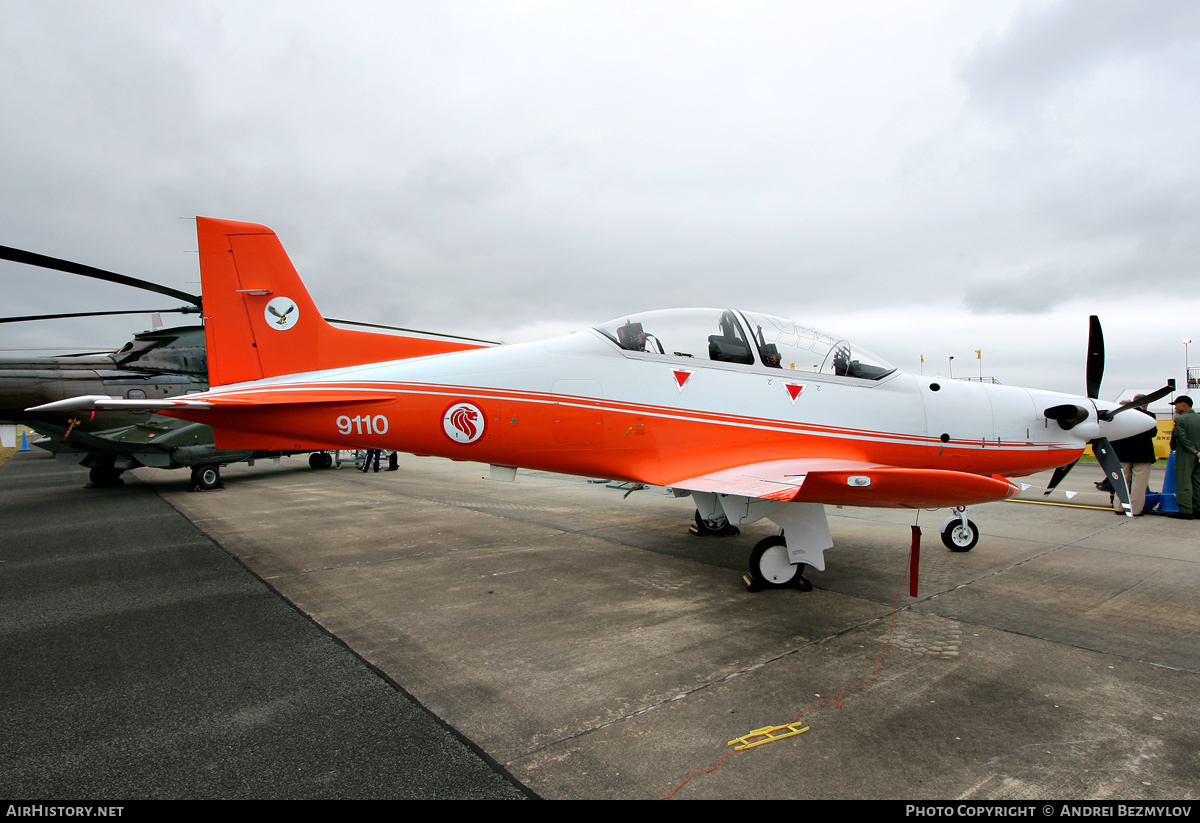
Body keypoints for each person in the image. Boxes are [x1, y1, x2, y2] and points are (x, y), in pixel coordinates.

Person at [1109, 395, 1156, 516]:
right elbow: (1153, 433)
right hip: (1142, 454)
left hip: (1122, 452)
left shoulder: (1121, 414)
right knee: (1139, 484)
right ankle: (1135, 509)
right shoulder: (1149, 415)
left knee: (1122, 481)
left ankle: (1119, 506)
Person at [1169, 395, 1200, 519]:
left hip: (1186, 454)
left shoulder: (1181, 420)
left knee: (1183, 482)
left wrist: (1193, 451)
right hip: (1199, 455)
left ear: (1184, 404)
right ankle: (1198, 509)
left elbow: (1182, 438)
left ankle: (1186, 510)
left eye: (1176, 404)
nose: (1175, 407)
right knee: (1198, 482)